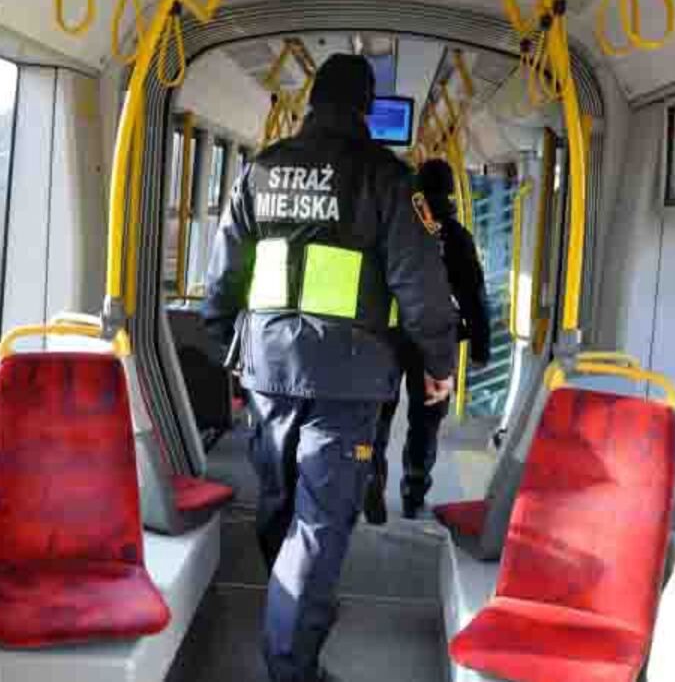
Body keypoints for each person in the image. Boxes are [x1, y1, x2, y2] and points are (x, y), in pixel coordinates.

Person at [202, 54, 457, 682]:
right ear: (368, 107)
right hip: (346, 380)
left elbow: (222, 277)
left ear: (310, 98)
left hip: (267, 368)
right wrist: (438, 363)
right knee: (319, 524)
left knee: (279, 505)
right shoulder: (387, 178)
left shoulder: (258, 172)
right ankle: (291, 663)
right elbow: (420, 287)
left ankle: (298, 608)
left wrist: (230, 346)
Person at [364, 158, 491, 524]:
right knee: (426, 421)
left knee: (378, 417)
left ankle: (372, 485)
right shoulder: (455, 237)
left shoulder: (391, 231)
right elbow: (474, 296)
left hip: (387, 336)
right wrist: (481, 345)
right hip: (435, 344)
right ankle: (413, 494)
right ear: (452, 193)